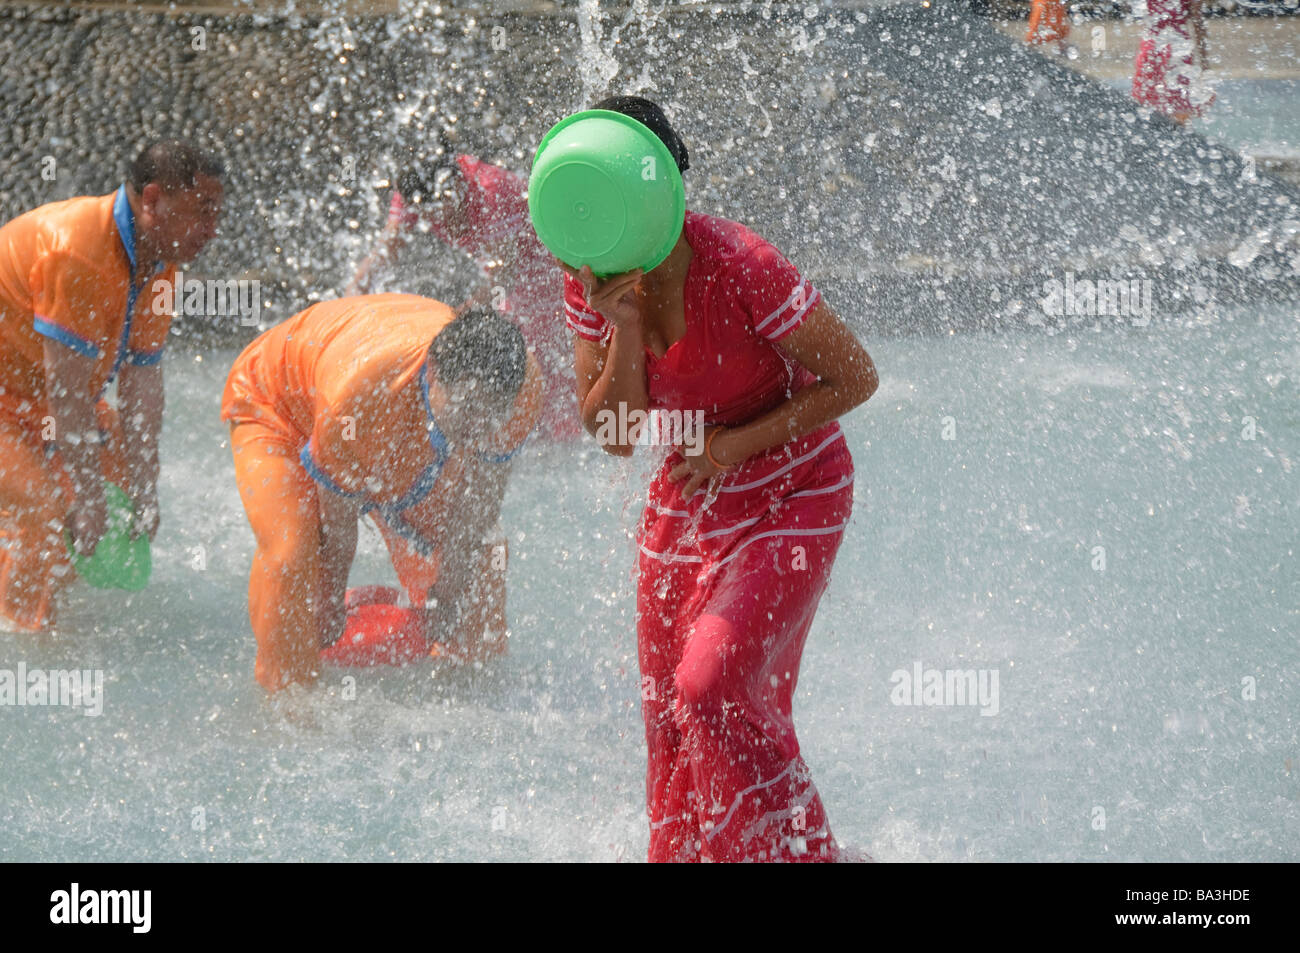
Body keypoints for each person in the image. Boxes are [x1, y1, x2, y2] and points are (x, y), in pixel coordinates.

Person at [557, 96, 879, 862]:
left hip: (795, 485)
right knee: (675, 707)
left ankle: (806, 854)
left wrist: (735, 447)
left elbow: (856, 377)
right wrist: (624, 326)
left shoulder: (742, 264)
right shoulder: (590, 276)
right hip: (693, 492)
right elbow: (612, 437)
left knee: (710, 688)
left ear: (661, 190)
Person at [220, 295, 543, 693]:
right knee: (294, 556)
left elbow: (478, 504)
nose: (481, 424)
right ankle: (290, 702)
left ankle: (466, 688)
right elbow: (336, 526)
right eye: (470, 406)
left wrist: (448, 589)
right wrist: (330, 597)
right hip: (279, 407)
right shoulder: (362, 395)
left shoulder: (520, 387)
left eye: (493, 412)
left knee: (485, 557)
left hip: (384, 418)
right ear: (435, 374)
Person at [0, 141, 223, 630]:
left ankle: (38, 594)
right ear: (152, 200)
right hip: (15, 400)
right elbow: (69, 392)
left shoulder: (162, 266)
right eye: (199, 213)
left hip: (41, 402)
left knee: (118, 491)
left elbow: (142, 385)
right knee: (47, 511)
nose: (211, 230)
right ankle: (24, 641)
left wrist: (145, 489)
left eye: (216, 214)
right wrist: (85, 498)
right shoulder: (78, 249)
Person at [348, 133, 578, 441]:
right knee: (512, 351)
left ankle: (569, 443)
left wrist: (453, 322)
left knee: (543, 355)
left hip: (548, 263)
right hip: (508, 277)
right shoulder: (415, 192)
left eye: (446, 207)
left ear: (457, 186)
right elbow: (383, 254)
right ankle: (529, 439)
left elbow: (503, 275)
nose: (442, 221)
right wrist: (350, 305)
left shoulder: (491, 188)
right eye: (429, 215)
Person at [1132, 0, 1214, 123]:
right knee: (1179, 112)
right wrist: (1204, 62)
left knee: (1145, 107)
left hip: (1151, 45)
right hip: (1179, 49)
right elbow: (1197, 21)